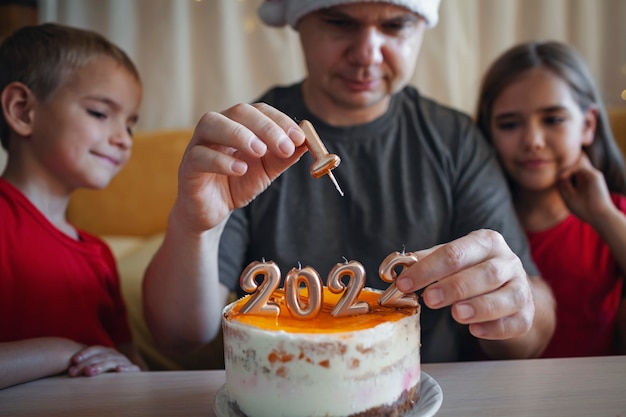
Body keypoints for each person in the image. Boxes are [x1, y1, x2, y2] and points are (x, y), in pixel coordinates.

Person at [143, 0, 556, 363]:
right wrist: (194, 224)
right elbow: (178, 337)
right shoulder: (248, 147)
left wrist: (513, 306)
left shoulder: (456, 140)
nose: (366, 54)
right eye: (339, 23)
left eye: (395, 26)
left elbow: (531, 333)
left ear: (421, 29)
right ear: (299, 22)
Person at [0, 23, 146, 389]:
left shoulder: (99, 255)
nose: (124, 140)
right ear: (22, 110)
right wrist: (64, 353)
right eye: (100, 113)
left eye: (130, 125)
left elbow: (132, 365)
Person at [475, 40, 626, 357]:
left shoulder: (613, 213)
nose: (533, 141)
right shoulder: (479, 224)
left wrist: (604, 216)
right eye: (510, 124)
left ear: (587, 125)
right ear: (488, 133)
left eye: (553, 119)